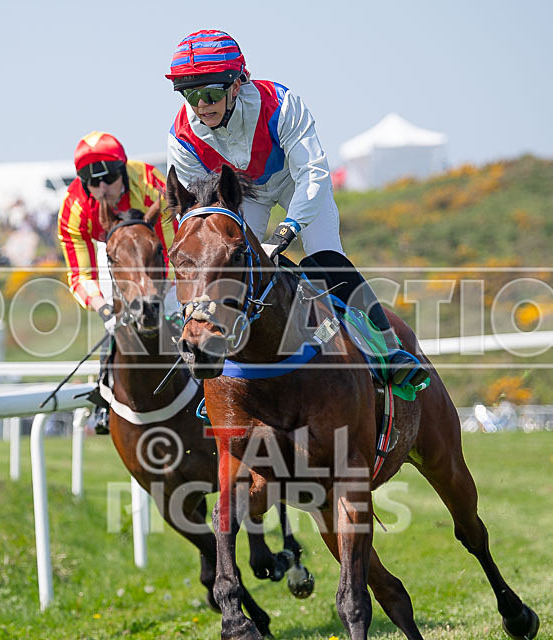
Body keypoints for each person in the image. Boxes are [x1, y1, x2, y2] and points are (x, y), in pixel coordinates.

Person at [166, 30, 428, 387]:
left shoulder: (281, 104)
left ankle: (388, 348)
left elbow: (313, 173)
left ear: (238, 83)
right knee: (230, 267)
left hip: (296, 183)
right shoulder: (181, 135)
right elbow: (198, 209)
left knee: (324, 258)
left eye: (211, 93)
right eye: (191, 95)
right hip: (246, 196)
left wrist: (286, 231)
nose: (201, 105)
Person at [58, 131, 175, 431]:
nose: (102, 187)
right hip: (109, 250)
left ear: (123, 171)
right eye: (92, 182)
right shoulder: (74, 209)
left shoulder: (151, 185)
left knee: (175, 305)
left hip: (152, 246)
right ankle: (105, 393)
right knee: (118, 317)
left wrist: (168, 292)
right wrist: (104, 309)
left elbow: (173, 251)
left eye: (109, 178)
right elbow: (80, 276)